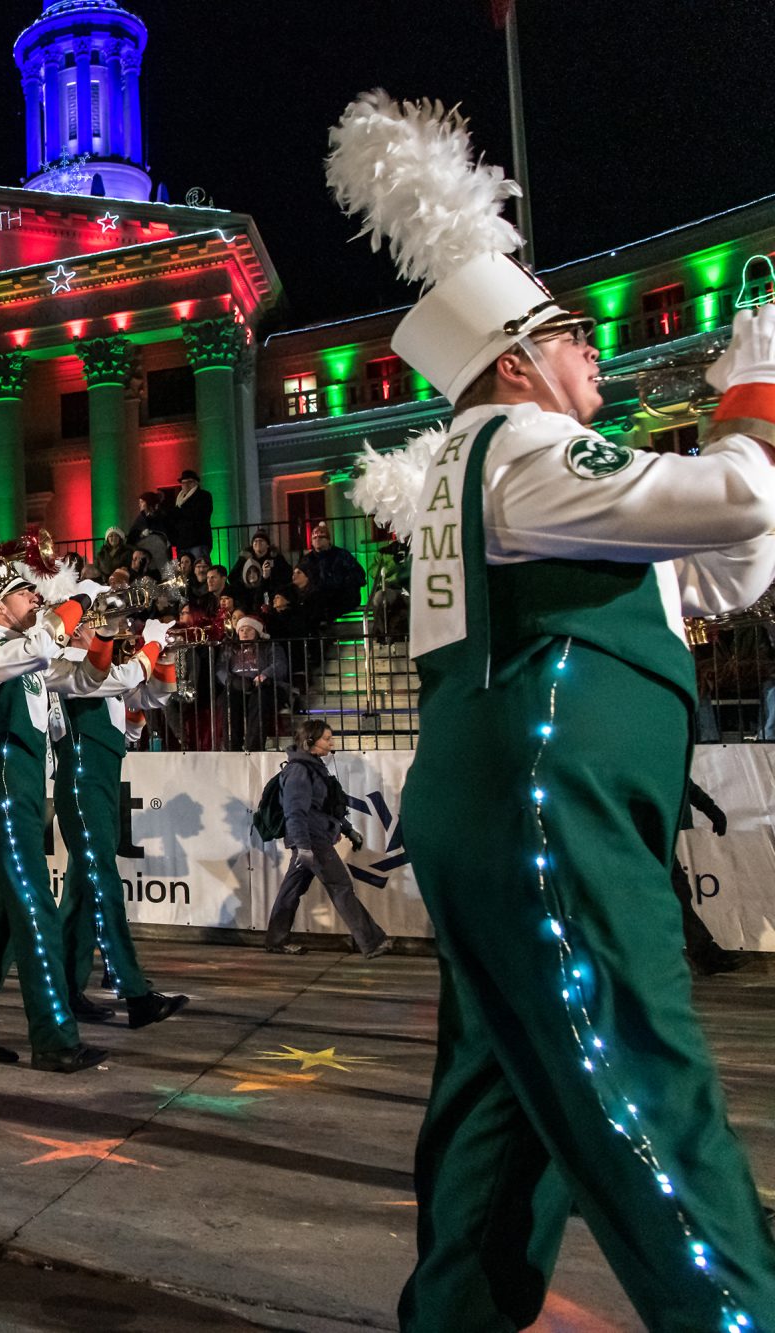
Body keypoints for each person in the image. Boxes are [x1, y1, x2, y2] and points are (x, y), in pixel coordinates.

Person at [330, 91, 775, 1327]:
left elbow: (732, 571)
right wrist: (753, 389)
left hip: (509, 804)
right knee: (642, 1087)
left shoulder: (501, 466)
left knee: (498, 1107)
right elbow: (738, 503)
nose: (596, 354)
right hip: (550, 811)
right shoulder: (522, 446)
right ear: (515, 359)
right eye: (575, 336)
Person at [0, 565, 109, 1073]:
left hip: (27, 790)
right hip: (12, 789)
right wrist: (80, 596)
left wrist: (105, 632)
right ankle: (53, 1038)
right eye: (23, 593)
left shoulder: (27, 646)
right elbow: (42, 646)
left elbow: (88, 677)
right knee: (37, 914)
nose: (35, 597)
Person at [46, 604, 190, 1029]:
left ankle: (69, 990)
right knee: (104, 884)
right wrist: (150, 644)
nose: (105, 634)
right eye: (95, 628)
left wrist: (163, 657)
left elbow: (152, 696)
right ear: (77, 635)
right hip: (84, 780)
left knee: (82, 893)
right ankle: (134, 992)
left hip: (104, 780)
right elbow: (126, 679)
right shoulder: (72, 665)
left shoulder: (101, 671)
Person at [262, 720, 386, 955]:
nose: (331, 743)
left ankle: (276, 940)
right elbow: (294, 813)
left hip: (313, 838)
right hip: (311, 840)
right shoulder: (299, 771)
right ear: (310, 742)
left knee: (291, 890)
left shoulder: (314, 768)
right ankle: (372, 942)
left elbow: (326, 807)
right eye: (326, 739)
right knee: (340, 886)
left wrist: (347, 829)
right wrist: (304, 847)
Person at [673, 779, 744, 976]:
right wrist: (710, 808)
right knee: (676, 891)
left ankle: (704, 954)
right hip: (638, 828)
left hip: (652, 828)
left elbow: (683, 777)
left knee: (677, 891)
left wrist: (710, 809)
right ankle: (704, 954)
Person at [217, 616, 292, 751]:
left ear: (257, 632)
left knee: (260, 699)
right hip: (238, 687)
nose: (244, 633)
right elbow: (221, 669)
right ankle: (232, 747)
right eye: (242, 630)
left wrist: (264, 675)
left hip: (266, 687)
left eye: (249, 630)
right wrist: (232, 681)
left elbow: (280, 665)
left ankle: (254, 747)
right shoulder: (230, 648)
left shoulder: (270, 646)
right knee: (228, 699)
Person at [229, 530, 291, 611]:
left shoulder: (276, 558)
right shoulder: (245, 559)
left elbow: (287, 574)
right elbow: (232, 577)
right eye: (255, 541)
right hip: (249, 594)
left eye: (261, 540)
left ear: (267, 545)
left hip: (270, 593)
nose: (258, 542)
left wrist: (271, 576)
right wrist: (246, 582)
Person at [172, 469, 214, 560]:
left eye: (187, 482)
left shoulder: (203, 496)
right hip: (183, 543)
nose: (184, 486)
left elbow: (199, 515)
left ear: (193, 483)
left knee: (200, 566)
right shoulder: (179, 500)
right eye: (182, 483)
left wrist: (181, 514)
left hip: (198, 541)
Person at [126, 492, 173, 569]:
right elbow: (131, 538)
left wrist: (173, 556)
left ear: (149, 502)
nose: (139, 505)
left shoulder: (162, 517)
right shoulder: (140, 519)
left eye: (141, 502)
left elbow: (171, 538)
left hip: (162, 557)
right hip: (146, 559)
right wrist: (141, 535)